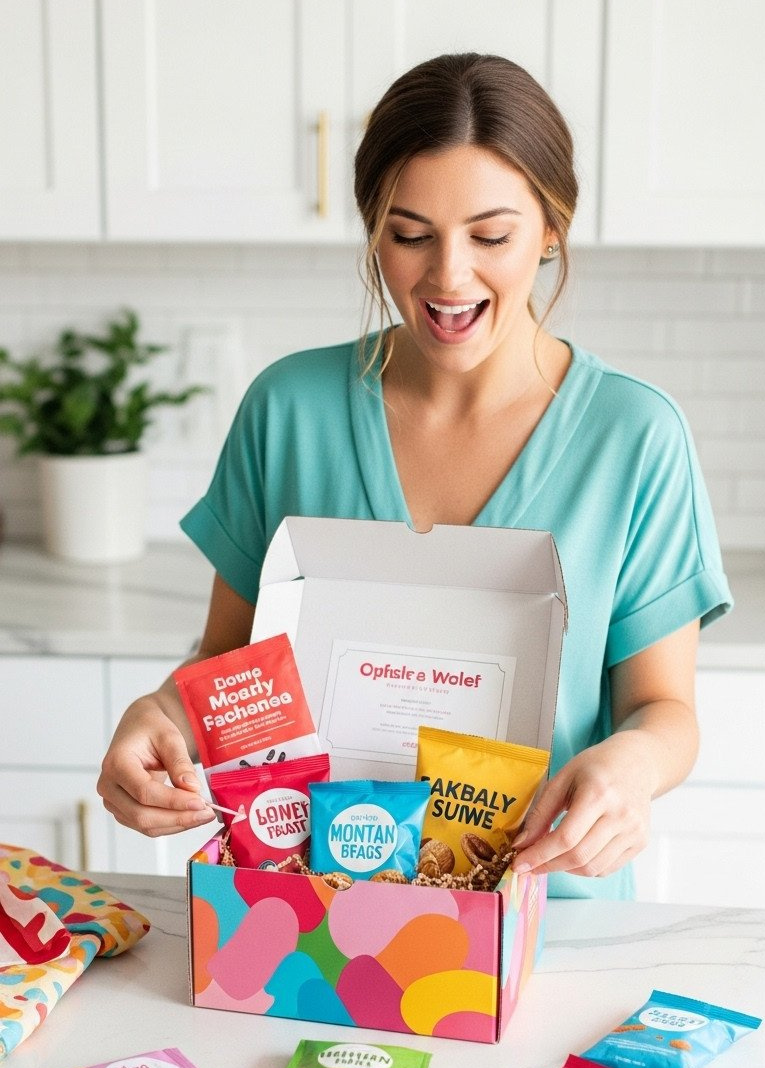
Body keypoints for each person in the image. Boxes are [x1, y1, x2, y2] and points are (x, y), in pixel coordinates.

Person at [97, 52, 732, 899]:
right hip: (304, 919)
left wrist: (632, 766)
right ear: (372, 231)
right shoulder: (288, 410)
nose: (448, 276)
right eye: (410, 235)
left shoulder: (635, 437)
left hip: (548, 922)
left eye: (491, 235)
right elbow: (224, 663)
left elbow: (666, 711)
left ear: (552, 228)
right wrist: (161, 717)